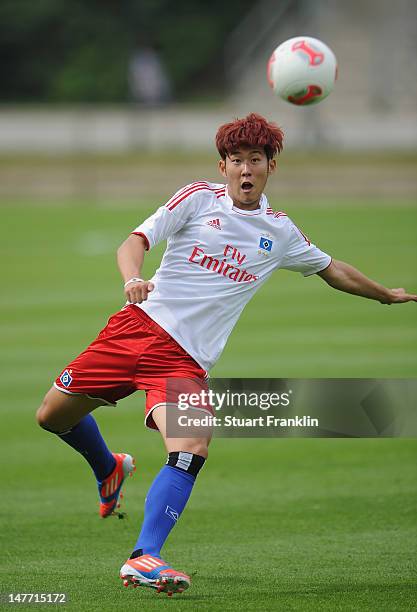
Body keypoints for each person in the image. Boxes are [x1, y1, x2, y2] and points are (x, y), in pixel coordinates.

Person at [36, 113, 417, 597]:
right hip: (134, 330)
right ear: (222, 166)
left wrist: (385, 294)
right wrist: (133, 278)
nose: (244, 170)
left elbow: (332, 269)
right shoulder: (196, 198)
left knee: (192, 446)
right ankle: (108, 467)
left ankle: (143, 556)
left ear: (270, 167)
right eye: (235, 161)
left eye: (254, 161)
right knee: (51, 417)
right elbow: (135, 241)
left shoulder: (279, 232)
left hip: (184, 362)